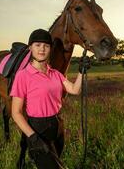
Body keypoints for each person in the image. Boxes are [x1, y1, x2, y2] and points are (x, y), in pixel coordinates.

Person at [10, 29, 90, 169]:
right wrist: (32, 137)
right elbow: (16, 112)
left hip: (58, 125)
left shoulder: (56, 74)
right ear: (30, 48)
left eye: (46, 46)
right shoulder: (23, 76)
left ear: (50, 49)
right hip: (38, 129)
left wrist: (81, 72)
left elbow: (74, 90)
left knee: (56, 161)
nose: (42, 49)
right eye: (38, 45)